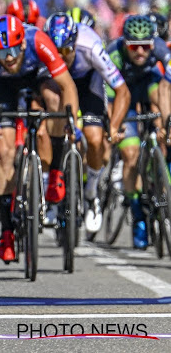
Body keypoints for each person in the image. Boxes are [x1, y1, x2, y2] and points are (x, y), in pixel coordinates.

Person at [0, 15, 78, 262]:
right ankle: (6, 230)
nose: (7, 57)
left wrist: (69, 119)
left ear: (21, 44)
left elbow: (68, 86)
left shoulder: (38, 41)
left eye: (11, 50)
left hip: (36, 75)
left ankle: (55, 174)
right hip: (2, 86)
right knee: (4, 148)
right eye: (1, 52)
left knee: (52, 103)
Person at [44, 13, 130, 232]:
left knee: (94, 138)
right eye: (56, 52)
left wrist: (113, 124)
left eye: (66, 51)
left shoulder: (90, 46)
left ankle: (91, 194)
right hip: (59, 84)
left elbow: (122, 90)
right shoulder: (44, 49)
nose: (62, 57)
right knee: (52, 125)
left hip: (88, 83)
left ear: (74, 43)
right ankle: (52, 192)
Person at [105, 15, 171, 249]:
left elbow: (165, 89)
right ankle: (138, 215)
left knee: (161, 96)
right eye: (135, 46)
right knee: (131, 154)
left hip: (148, 85)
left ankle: (159, 167)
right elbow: (110, 100)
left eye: (146, 46)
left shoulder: (161, 49)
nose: (141, 52)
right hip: (122, 93)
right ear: (125, 44)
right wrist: (116, 126)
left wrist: (166, 123)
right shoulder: (113, 54)